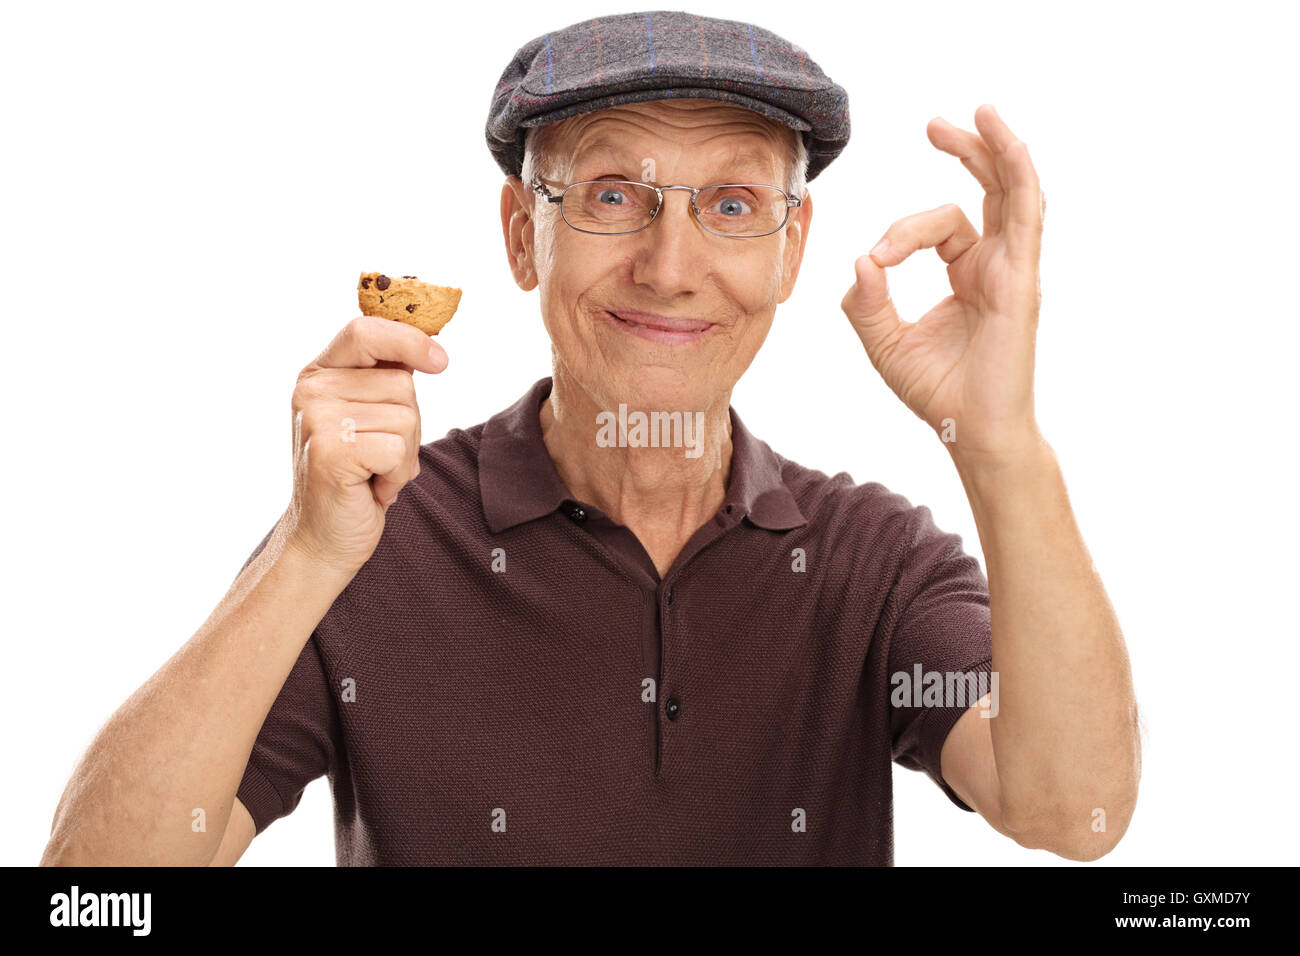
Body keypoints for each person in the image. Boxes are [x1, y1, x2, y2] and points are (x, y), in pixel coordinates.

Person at [41, 10, 1139, 866]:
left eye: (730, 205)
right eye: (615, 195)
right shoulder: (372, 541)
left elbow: (1073, 808)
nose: (669, 266)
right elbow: (98, 888)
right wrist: (307, 553)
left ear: (791, 248)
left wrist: (998, 440)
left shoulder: (870, 562)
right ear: (525, 234)